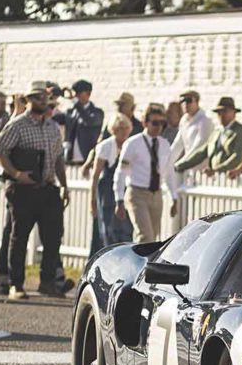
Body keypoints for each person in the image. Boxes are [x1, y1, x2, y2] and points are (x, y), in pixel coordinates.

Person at [0, 82, 70, 300]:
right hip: (23, 189)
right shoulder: (17, 125)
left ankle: (48, 282)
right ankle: (16, 284)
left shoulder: (53, 127)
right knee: (19, 238)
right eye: (36, 98)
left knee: (53, 238)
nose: (41, 102)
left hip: (47, 188)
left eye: (43, 99)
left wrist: (64, 185)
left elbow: (58, 160)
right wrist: (16, 174)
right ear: (27, 101)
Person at [115, 105, 181, 243]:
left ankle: (139, 263)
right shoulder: (133, 143)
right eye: (155, 123)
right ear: (145, 123)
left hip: (156, 194)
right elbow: (121, 172)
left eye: (162, 123)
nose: (159, 127)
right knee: (145, 236)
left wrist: (174, 197)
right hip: (137, 194)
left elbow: (169, 173)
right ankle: (143, 264)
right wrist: (119, 199)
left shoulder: (164, 145)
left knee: (153, 237)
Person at [85, 113, 134, 260]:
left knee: (125, 228)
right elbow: (95, 175)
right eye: (120, 129)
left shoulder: (130, 145)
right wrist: (92, 200)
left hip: (123, 189)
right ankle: (110, 260)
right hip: (106, 190)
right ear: (113, 129)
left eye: (126, 128)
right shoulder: (105, 146)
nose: (124, 132)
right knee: (108, 229)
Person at [175, 96, 242, 175]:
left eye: (225, 111)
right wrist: (181, 165)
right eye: (219, 113)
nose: (222, 115)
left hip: (233, 177)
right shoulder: (216, 132)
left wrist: (217, 170)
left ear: (233, 113)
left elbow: (237, 158)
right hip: (215, 177)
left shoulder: (241, 131)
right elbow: (202, 152)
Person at [172, 89, 213, 179]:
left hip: (202, 170)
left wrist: (180, 164)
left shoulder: (205, 120)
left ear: (197, 102)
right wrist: (167, 162)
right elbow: (178, 144)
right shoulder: (184, 120)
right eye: (182, 101)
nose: (185, 104)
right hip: (186, 168)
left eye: (188, 100)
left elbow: (198, 146)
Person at [63, 79, 104, 164]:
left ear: (88, 94)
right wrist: (50, 98)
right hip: (70, 159)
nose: (76, 96)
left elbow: (89, 121)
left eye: (78, 93)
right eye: (75, 93)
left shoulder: (97, 112)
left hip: (87, 160)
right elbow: (51, 117)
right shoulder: (70, 112)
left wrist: (75, 102)